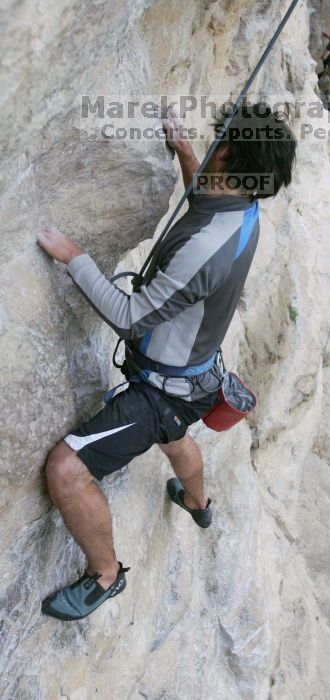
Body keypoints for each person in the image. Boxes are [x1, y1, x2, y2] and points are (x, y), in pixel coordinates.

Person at [36, 103, 297, 622]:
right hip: (196, 378)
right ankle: (198, 504)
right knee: (178, 436)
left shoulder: (208, 246)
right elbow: (206, 192)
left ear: (226, 152)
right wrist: (182, 149)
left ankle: (106, 575)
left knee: (67, 469)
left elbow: (131, 317)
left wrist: (75, 257)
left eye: (217, 138)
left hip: (160, 391)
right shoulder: (243, 209)